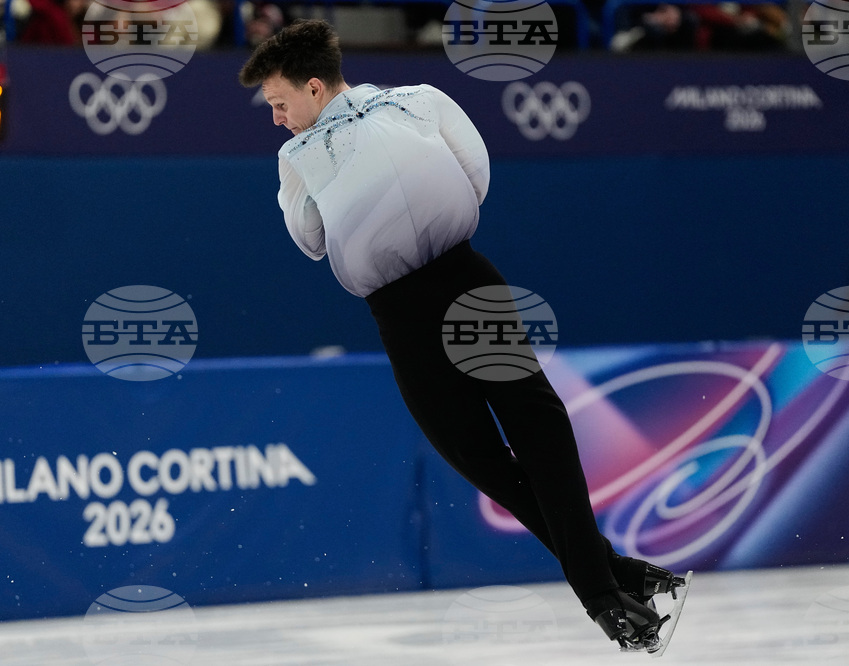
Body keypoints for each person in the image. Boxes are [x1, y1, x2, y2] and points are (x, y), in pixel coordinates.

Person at [238, 18, 683, 651]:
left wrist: (315, 185)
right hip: (457, 282)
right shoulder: (421, 100)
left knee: (514, 443)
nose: (277, 119)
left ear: (313, 88)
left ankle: (602, 595)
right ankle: (611, 574)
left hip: (417, 304)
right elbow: (475, 176)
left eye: (280, 104)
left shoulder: (310, 150)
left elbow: (310, 242)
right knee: (513, 439)